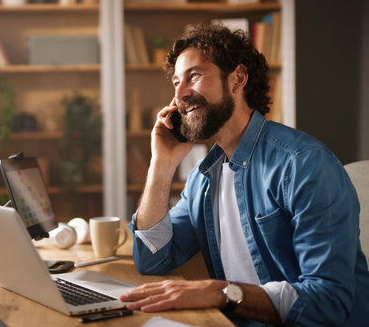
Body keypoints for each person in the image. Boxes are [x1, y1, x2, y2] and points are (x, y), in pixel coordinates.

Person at [119, 23, 369, 326]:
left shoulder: (303, 165)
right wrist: (162, 163)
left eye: (194, 76)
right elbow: (151, 258)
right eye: (175, 82)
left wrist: (220, 292)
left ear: (237, 79)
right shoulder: (203, 178)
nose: (181, 94)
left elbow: (328, 303)